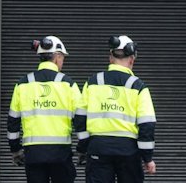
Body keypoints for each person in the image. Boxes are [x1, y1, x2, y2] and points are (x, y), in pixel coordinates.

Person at [74, 35, 157, 182]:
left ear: (110, 57)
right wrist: (147, 158)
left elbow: (80, 118)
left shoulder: (93, 82)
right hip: (128, 150)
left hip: (98, 148)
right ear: (132, 59)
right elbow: (147, 125)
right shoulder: (138, 86)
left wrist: (84, 147)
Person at [8, 35, 82, 183]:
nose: (62, 62)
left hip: (33, 154)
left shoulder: (22, 85)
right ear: (57, 57)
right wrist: (82, 148)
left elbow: (13, 122)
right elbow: (81, 119)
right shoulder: (68, 84)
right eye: (62, 58)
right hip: (61, 154)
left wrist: (15, 150)